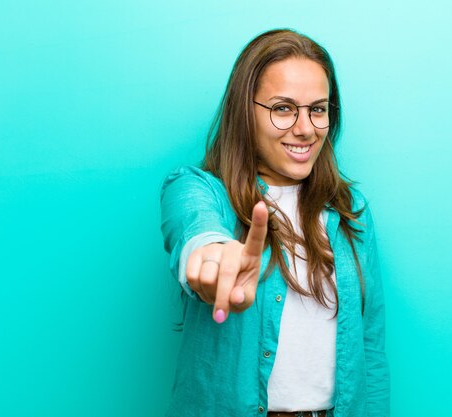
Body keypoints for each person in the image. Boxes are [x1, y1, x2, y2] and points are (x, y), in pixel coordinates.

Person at [160, 28, 389, 417]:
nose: (305, 128)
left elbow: (370, 348)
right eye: (283, 108)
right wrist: (210, 255)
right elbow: (195, 225)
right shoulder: (200, 189)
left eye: (318, 109)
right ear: (244, 111)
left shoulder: (352, 210)